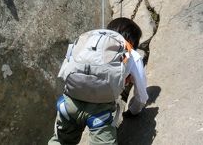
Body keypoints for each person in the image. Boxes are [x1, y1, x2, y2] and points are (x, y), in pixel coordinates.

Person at [48, 17, 148, 145]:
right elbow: (141, 94)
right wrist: (134, 110)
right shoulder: (132, 54)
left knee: (61, 141)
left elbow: (65, 70)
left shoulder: (87, 45)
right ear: (133, 41)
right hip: (100, 111)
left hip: (69, 104)